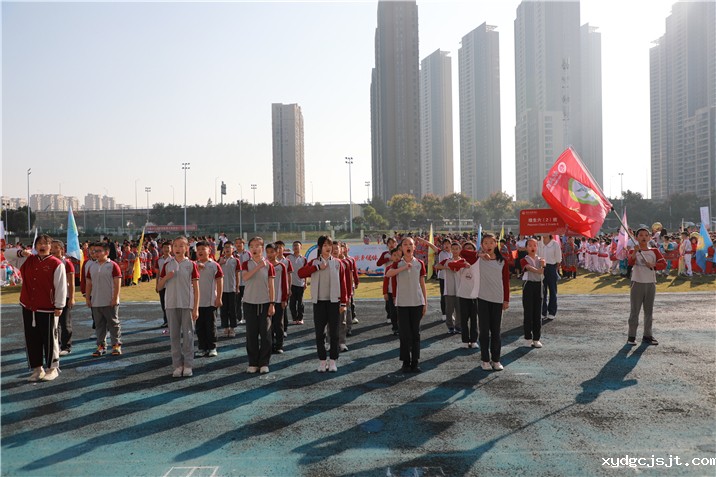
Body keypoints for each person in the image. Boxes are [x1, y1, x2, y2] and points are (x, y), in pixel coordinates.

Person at [17, 234, 67, 382]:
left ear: (51, 247)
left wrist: (59, 305)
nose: (42, 246)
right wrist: (21, 252)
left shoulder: (56, 263)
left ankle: (53, 368)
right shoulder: (28, 260)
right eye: (39, 243)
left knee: (50, 338)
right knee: (32, 339)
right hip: (28, 307)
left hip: (48, 308)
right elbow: (7, 254)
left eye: (45, 243)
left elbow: (61, 286)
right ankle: (37, 369)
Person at [298, 235, 348, 373]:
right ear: (320, 247)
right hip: (319, 302)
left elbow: (343, 283)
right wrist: (317, 267)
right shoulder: (314, 262)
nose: (328, 248)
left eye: (329, 245)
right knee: (320, 334)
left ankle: (333, 361)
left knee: (334, 334)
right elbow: (300, 273)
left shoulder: (338, 263)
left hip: (334, 302)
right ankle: (322, 361)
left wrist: (343, 302)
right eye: (325, 245)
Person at [158, 236, 200, 378]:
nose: (178, 248)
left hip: (187, 304)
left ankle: (188, 365)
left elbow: (196, 288)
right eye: (175, 245)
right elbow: (159, 287)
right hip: (171, 304)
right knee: (174, 336)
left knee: (188, 336)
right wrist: (166, 277)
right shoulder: (167, 264)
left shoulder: (191, 265)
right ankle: (177, 365)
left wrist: (196, 307)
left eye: (181, 246)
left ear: (187, 248)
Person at [468, 234, 510, 371]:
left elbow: (506, 281)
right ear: (482, 245)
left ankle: (496, 360)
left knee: (496, 332)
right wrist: (479, 254)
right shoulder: (478, 260)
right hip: (483, 299)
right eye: (485, 243)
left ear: (496, 244)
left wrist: (506, 299)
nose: (488, 245)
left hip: (497, 299)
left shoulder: (502, 261)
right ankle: (485, 359)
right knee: (484, 331)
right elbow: (463, 253)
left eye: (491, 242)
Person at [385, 237, 427, 373]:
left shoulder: (419, 263)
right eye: (405, 244)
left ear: (414, 247)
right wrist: (403, 268)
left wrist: (425, 302)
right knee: (404, 334)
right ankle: (405, 362)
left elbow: (422, 284)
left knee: (415, 333)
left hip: (417, 303)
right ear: (401, 248)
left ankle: (415, 361)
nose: (408, 246)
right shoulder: (397, 263)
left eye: (410, 244)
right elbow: (388, 274)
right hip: (402, 303)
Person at [241, 237, 275, 374]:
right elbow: (245, 277)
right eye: (252, 246)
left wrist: (272, 303)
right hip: (249, 302)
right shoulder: (246, 264)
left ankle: (264, 362)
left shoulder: (269, 266)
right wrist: (258, 267)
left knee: (265, 334)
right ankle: (253, 362)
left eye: (257, 246)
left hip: (265, 303)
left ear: (262, 248)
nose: (254, 249)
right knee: (251, 334)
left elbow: (271, 286)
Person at [627, 228, 667, 345]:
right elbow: (630, 263)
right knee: (635, 311)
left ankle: (647, 336)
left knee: (649, 311)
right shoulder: (633, 250)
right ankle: (631, 337)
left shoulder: (654, 251)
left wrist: (653, 265)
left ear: (649, 237)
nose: (643, 237)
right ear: (636, 238)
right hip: (637, 282)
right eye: (641, 235)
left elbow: (663, 264)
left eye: (646, 235)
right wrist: (635, 252)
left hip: (650, 283)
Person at [85, 241, 122, 357]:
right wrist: (88, 298)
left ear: (107, 252)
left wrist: (115, 298)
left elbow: (117, 283)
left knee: (113, 324)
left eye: (99, 251)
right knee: (99, 325)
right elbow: (88, 283)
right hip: (96, 301)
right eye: (94, 251)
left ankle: (116, 345)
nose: (96, 253)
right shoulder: (91, 266)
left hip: (109, 301)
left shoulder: (113, 265)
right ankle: (101, 346)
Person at [449, 242, 480, 349]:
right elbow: (451, 265)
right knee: (464, 320)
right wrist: (463, 265)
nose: (468, 251)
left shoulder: (478, 261)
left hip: (475, 295)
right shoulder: (460, 261)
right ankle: (465, 340)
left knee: (474, 319)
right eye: (466, 249)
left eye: (470, 248)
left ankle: (474, 340)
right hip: (463, 295)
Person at [195, 241, 223, 358]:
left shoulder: (214, 265)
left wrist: (219, 297)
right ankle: (202, 347)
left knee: (211, 326)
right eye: (198, 249)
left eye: (203, 249)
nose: (200, 251)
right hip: (197, 303)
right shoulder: (193, 265)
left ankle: (212, 347)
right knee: (199, 327)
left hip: (211, 301)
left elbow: (220, 281)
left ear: (209, 250)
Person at [50, 240, 75, 356]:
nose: (53, 250)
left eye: (56, 247)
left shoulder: (67, 263)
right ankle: (55, 345)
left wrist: (72, 297)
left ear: (62, 249)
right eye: (52, 247)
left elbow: (71, 282)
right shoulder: (49, 262)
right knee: (53, 324)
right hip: (51, 297)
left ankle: (66, 346)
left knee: (65, 323)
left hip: (64, 297)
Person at [520, 238, 545, 348]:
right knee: (528, 312)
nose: (532, 247)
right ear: (526, 248)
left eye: (534, 245)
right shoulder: (523, 259)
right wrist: (538, 270)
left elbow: (543, 271)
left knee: (537, 313)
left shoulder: (541, 260)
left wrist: (543, 265)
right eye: (530, 245)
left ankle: (536, 338)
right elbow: (528, 267)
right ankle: (528, 338)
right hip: (528, 286)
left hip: (539, 285)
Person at [266, 243, 289, 354]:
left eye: (272, 252)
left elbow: (284, 283)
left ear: (277, 252)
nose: (269, 254)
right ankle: (269, 345)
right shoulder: (264, 265)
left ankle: (279, 345)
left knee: (278, 324)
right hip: (266, 300)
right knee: (267, 325)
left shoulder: (281, 266)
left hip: (279, 300)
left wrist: (284, 299)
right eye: (267, 252)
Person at [538, 235, 562, 321]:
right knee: (542, 291)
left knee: (552, 291)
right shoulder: (538, 243)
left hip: (551, 267)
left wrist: (554, 268)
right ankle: (542, 312)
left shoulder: (555, 244)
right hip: (541, 268)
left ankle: (552, 312)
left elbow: (558, 259)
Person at [218, 242, 240, 337]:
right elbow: (216, 272)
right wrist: (220, 263)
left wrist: (237, 287)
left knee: (232, 309)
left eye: (229, 247)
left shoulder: (235, 260)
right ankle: (225, 327)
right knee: (223, 309)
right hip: (222, 289)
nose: (227, 249)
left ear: (233, 249)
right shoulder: (220, 260)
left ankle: (232, 328)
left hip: (232, 288)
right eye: (225, 247)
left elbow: (237, 275)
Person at [382, 246, 402, 336]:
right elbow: (385, 281)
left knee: (401, 312)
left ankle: (402, 327)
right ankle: (395, 328)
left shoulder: (403, 267)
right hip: (390, 293)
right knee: (393, 312)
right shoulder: (388, 268)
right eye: (394, 255)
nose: (396, 257)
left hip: (401, 293)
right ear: (391, 257)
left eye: (398, 255)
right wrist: (385, 292)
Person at [287, 241, 307, 325]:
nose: (295, 247)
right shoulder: (288, 257)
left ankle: (300, 318)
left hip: (301, 284)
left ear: (300, 247)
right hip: (291, 284)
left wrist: (305, 282)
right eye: (294, 245)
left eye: (297, 245)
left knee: (300, 303)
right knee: (292, 303)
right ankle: (294, 318)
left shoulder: (304, 259)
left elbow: (305, 271)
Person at [234, 237, 251, 325]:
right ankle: (239, 317)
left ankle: (247, 317)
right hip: (236, 282)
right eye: (236, 243)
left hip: (246, 282)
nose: (238, 244)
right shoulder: (232, 254)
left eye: (240, 243)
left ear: (243, 244)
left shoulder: (248, 254)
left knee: (247, 301)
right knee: (237, 301)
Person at [156, 241, 172, 328]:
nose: (166, 249)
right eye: (165, 247)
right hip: (162, 284)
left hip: (171, 284)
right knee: (163, 303)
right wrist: (157, 284)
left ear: (171, 249)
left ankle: (171, 320)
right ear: (162, 249)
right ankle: (166, 320)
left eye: (168, 247)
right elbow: (158, 273)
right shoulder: (159, 260)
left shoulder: (173, 259)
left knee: (171, 303)